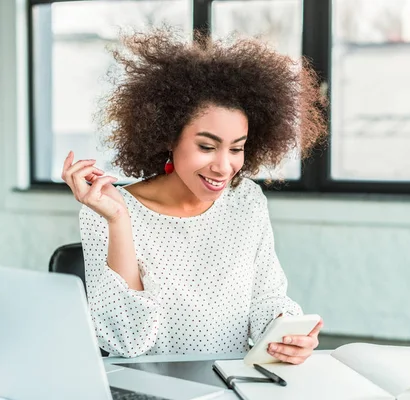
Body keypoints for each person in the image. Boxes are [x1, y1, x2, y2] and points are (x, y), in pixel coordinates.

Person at [61, 28, 327, 363]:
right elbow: (124, 341)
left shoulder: (245, 199)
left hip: (233, 383)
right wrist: (118, 221)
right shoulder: (108, 210)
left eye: (237, 149)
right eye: (206, 146)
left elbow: (267, 300)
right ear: (169, 137)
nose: (223, 166)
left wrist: (284, 332)